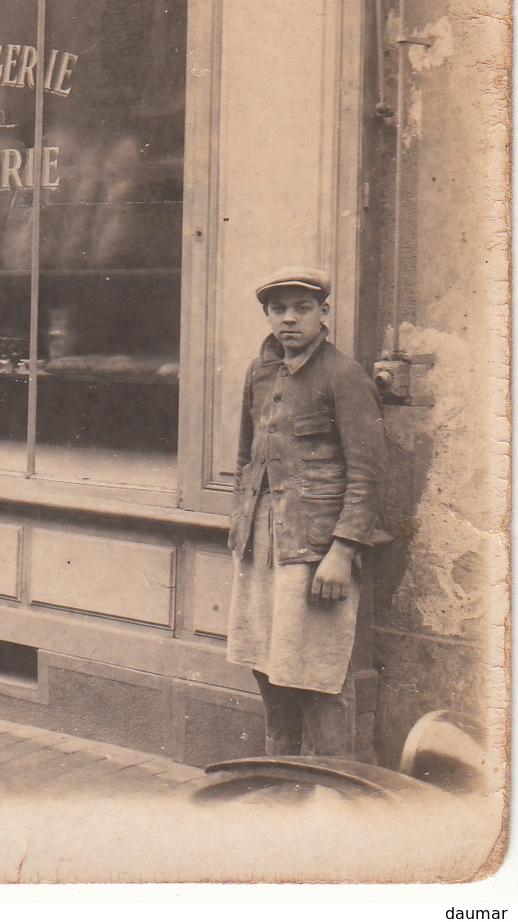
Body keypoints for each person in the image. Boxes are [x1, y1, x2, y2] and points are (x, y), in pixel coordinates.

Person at [226, 266, 388, 760]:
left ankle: (333, 789)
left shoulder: (344, 376)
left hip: (315, 549)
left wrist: (341, 552)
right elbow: (244, 459)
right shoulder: (260, 373)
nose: (289, 320)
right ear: (267, 315)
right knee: (265, 662)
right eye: (279, 310)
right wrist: (241, 527)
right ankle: (282, 776)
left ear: (323, 313)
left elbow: (369, 473)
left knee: (316, 674)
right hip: (259, 541)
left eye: (302, 308)